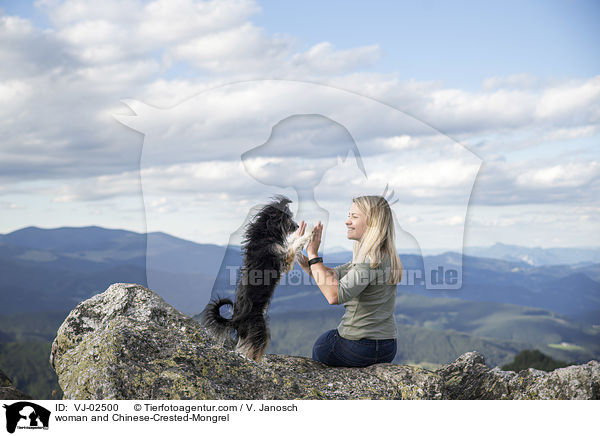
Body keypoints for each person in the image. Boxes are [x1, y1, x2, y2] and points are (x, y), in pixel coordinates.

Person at [296, 195, 403, 367]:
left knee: (323, 343)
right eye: (349, 216)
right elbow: (329, 275)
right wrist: (302, 254)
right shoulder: (381, 255)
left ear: (373, 222)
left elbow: (334, 295)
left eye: (354, 217)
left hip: (358, 346)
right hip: (387, 346)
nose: (347, 222)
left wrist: (314, 255)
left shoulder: (370, 259)